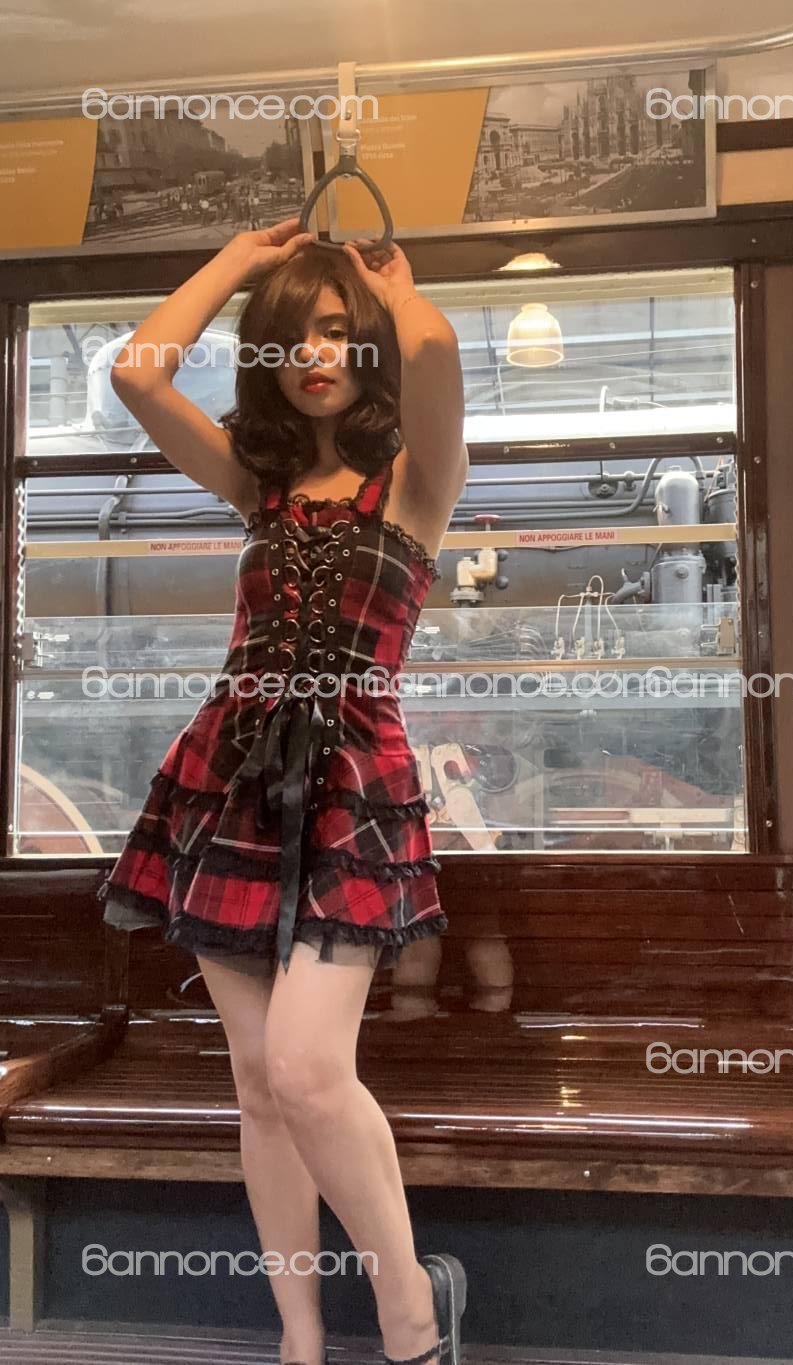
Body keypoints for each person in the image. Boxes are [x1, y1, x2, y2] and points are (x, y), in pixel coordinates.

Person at [96, 216, 469, 1365]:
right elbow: (136, 374)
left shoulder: (416, 483)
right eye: (293, 335)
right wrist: (240, 263)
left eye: (338, 332)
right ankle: (298, 1340)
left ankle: (411, 1310)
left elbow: (437, 352)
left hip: (353, 785)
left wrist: (388, 286)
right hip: (229, 781)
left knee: (308, 1071)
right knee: (259, 1086)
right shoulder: (260, 489)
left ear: (370, 344)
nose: (315, 354)